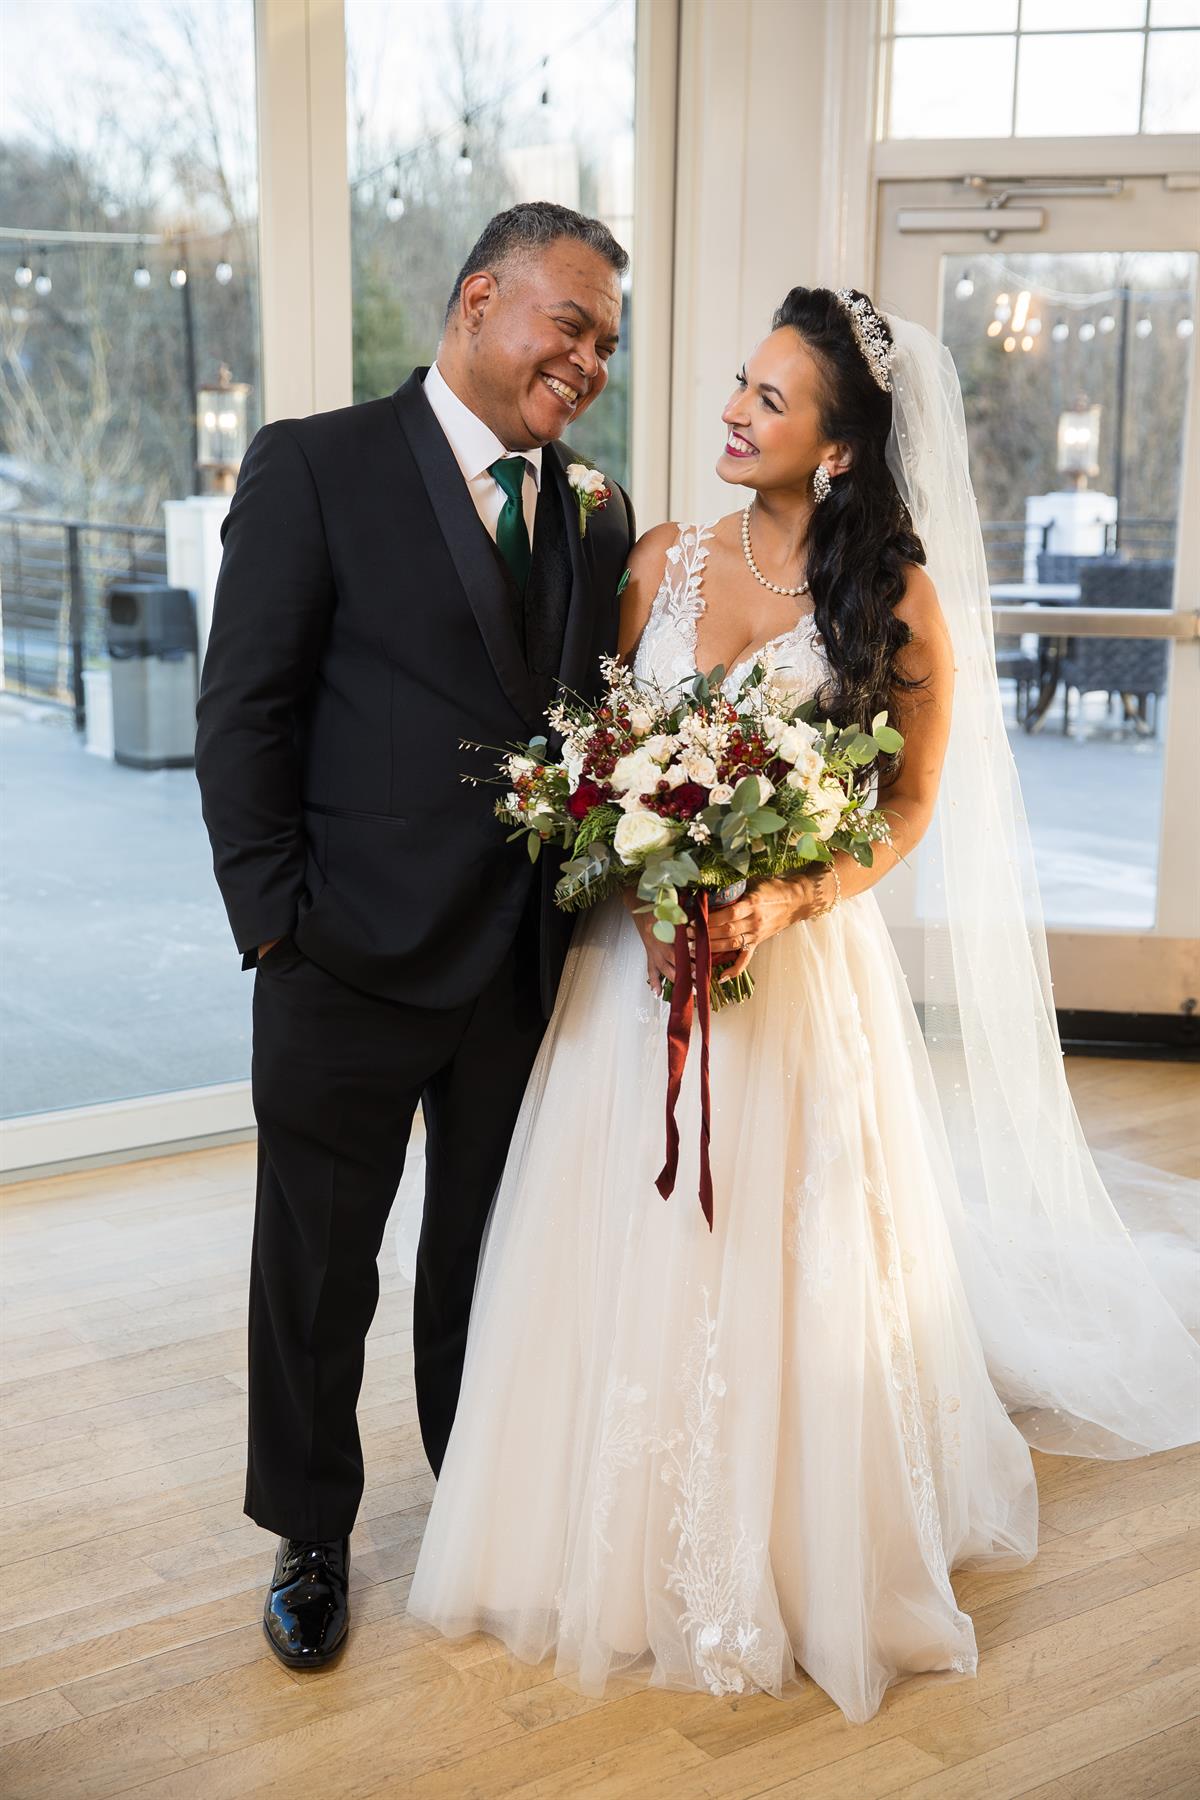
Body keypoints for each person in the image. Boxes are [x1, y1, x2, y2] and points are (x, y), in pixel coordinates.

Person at [404, 287, 1200, 1724]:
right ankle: (590, 1523)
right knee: (610, 1239)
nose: (734, 411)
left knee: (783, 1253)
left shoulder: (895, 605)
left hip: (792, 983)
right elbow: (606, 751)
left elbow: (907, 807)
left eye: (770, 400)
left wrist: (784, 897)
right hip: (630, 977)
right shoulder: (659, 560)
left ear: (835, 450)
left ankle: (789, 1537)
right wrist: (638, 874)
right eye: (740, 381)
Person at [194, 202, 636, 1669]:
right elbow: (243, 714)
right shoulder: (315, 465)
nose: (589, 361)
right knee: (319, 1272)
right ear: (478, 301)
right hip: (343, 961)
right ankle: (310, 1534)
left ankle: (476, 1499)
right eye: (570, 324)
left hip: (520, 968)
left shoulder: (599, 510)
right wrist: (277, 928)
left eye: (607, 343)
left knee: (485, 1263)